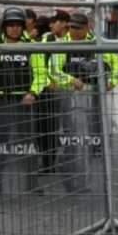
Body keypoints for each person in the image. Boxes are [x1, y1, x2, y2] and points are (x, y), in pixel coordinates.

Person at [48, 12, 118, 186]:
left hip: (96, 96)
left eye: (78, 28)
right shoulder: (62, 45)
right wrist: (71, 80)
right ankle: (72, 175)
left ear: (87, 27)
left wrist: (113, 81)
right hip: (70, 97)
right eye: (71, 27)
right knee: (72, 136)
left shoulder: (98, 43)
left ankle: (93, 177)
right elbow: (53, 70)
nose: (74, 31)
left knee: (95, 136)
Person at [0, 7, 46, 195]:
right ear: (4, 27)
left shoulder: (31, 46)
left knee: (28, 145)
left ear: (23, 27)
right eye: (10, 25)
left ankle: (32, 184)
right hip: (0, 103)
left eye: (18, 25)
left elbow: (41, 74)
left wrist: (33, 93)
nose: (14, 29)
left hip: (24, 103)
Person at [36, 10, 70, 176]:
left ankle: (53, 161)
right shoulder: (47, 39)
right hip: (46, 91)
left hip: (63, 90)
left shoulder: (67, 41)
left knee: (56, 127)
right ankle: (46, 162)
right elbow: (40, 62)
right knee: (46, 127)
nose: (62, 25)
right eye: (59, 21)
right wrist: (48, 81)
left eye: (64, 22)